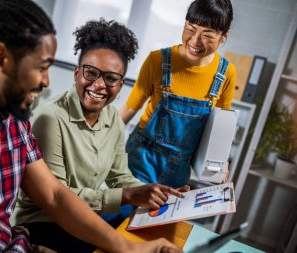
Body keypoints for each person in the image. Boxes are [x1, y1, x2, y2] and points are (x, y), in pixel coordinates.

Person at [0, 1, 183, 253]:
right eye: (41, 68)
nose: (46, 82)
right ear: (0, 57)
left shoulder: (13, 120)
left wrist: (129, 248)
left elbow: (55, 196)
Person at [14, 18, 189, 253]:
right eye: (91, 73)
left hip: (84, 220)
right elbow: (57, 197)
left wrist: (156, 193)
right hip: (43, 224)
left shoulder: (113, 119)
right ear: (77, 73)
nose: (99, 84)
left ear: (120, 84)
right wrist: (127, 196)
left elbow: (120, 176)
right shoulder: (50, 119)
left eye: (111, 78)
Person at [119, 0, 236, 188]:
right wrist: (101, 140)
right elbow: (129, 107)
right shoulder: (157, 60)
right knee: (122, 215)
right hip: (141, 157)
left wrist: (223, 162)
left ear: (223, 37)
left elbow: (221, 130)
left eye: (207, 35)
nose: (195, 41)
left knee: (163, 217)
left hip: (179, 169)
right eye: (191, 28)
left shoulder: (226, 73)